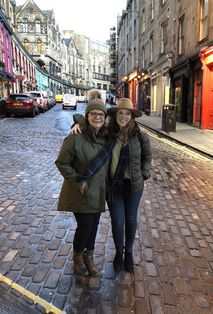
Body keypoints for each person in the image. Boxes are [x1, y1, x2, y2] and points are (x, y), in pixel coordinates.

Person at [72, 98, 152, 274]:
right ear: (115, 115)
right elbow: (88, 121)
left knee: (131, 219)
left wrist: (144, 173)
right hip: (114, 186)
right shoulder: (109, 134)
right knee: (117, 220)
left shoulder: (140, 136)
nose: (123, 116)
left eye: (127, 113)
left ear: (132, 116)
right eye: (120, 113)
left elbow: (147, 158)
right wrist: (77, 123)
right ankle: (118, 253)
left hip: (133, 186)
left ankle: (128, 253)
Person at [55, 89, 109, 277]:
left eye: (101, 114)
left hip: (98, 191)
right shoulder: (75, 137)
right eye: (93, 114)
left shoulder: (105, 136)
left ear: (105, 118)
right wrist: (78, 180)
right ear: (87, 116)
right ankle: (78, 257)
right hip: (81, 190)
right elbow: (62, 162)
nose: (97, 117)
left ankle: (89, 257)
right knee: (85, 225)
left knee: (93, 226)